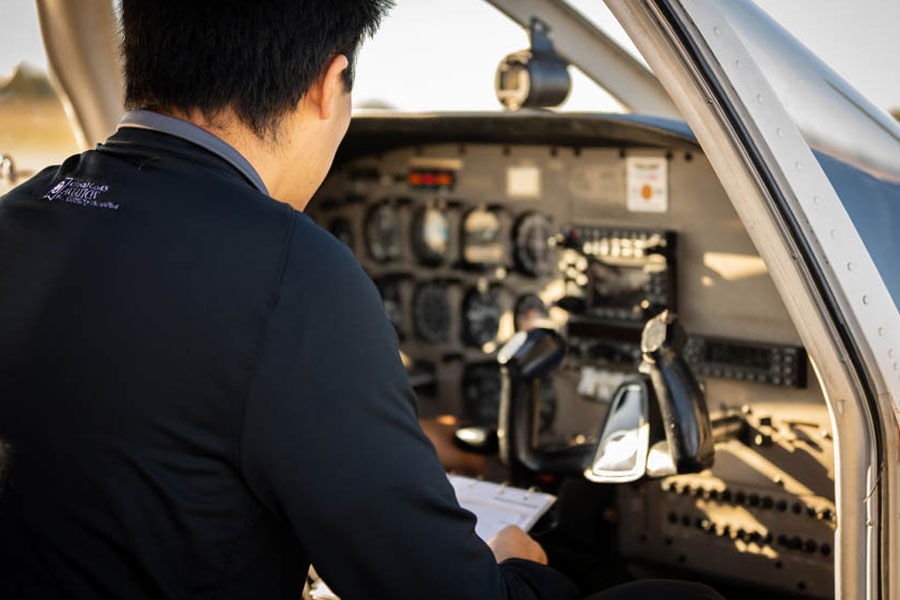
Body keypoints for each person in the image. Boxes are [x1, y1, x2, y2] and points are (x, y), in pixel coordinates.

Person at [0, 2, 725, 599]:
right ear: (330, 83)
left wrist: (395, 444)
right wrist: (515, 570)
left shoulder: (18, 214)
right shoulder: (290, 269)